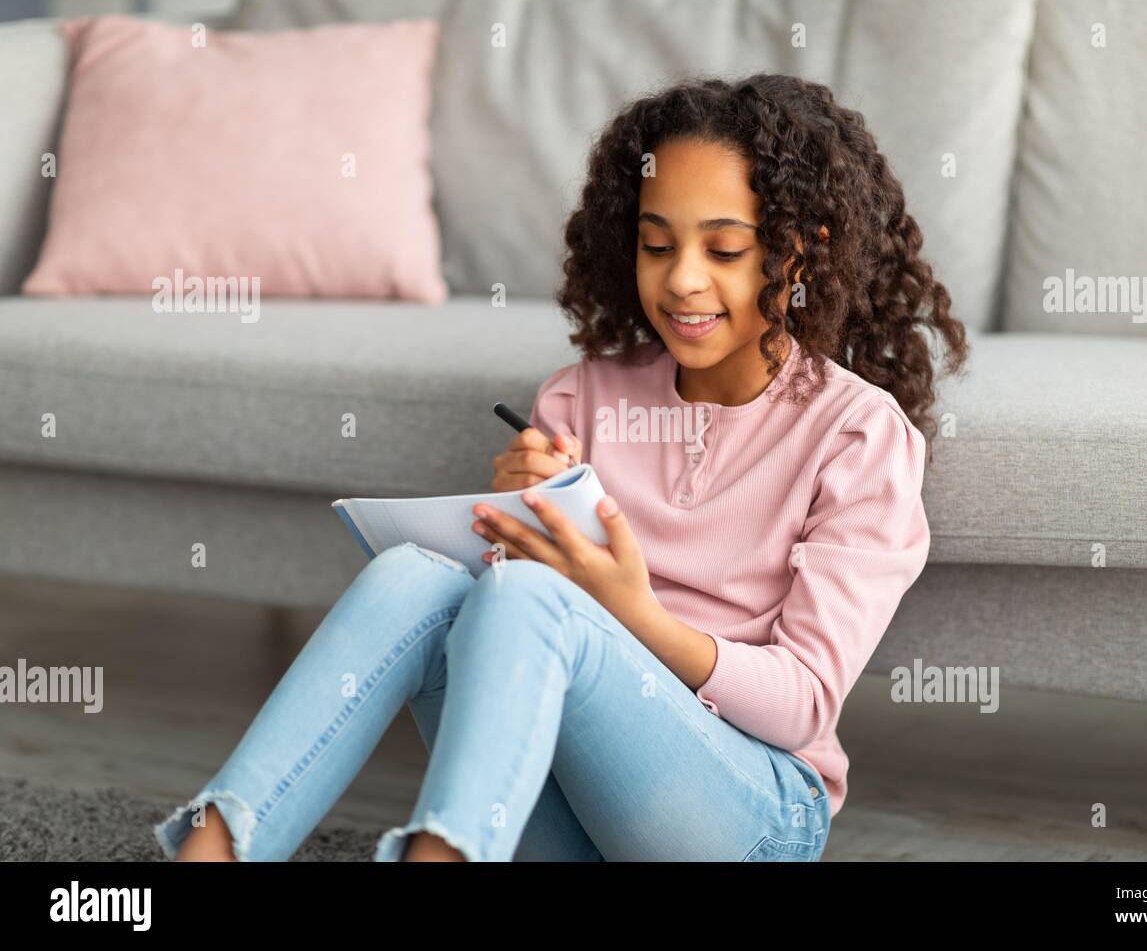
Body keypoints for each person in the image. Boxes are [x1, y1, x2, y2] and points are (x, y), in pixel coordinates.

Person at [154, 72, 969, 862]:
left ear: (799, 253)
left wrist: (631, 612)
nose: (683, 279)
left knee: (534, 595)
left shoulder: (859, 435)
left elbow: (801, 706)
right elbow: (509, 650)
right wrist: (508, 527)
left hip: (748, 817)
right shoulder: (578, 400)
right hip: (567, 814)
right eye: (657, 244)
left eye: (724, 249)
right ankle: (217, 850)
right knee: (416, 576)